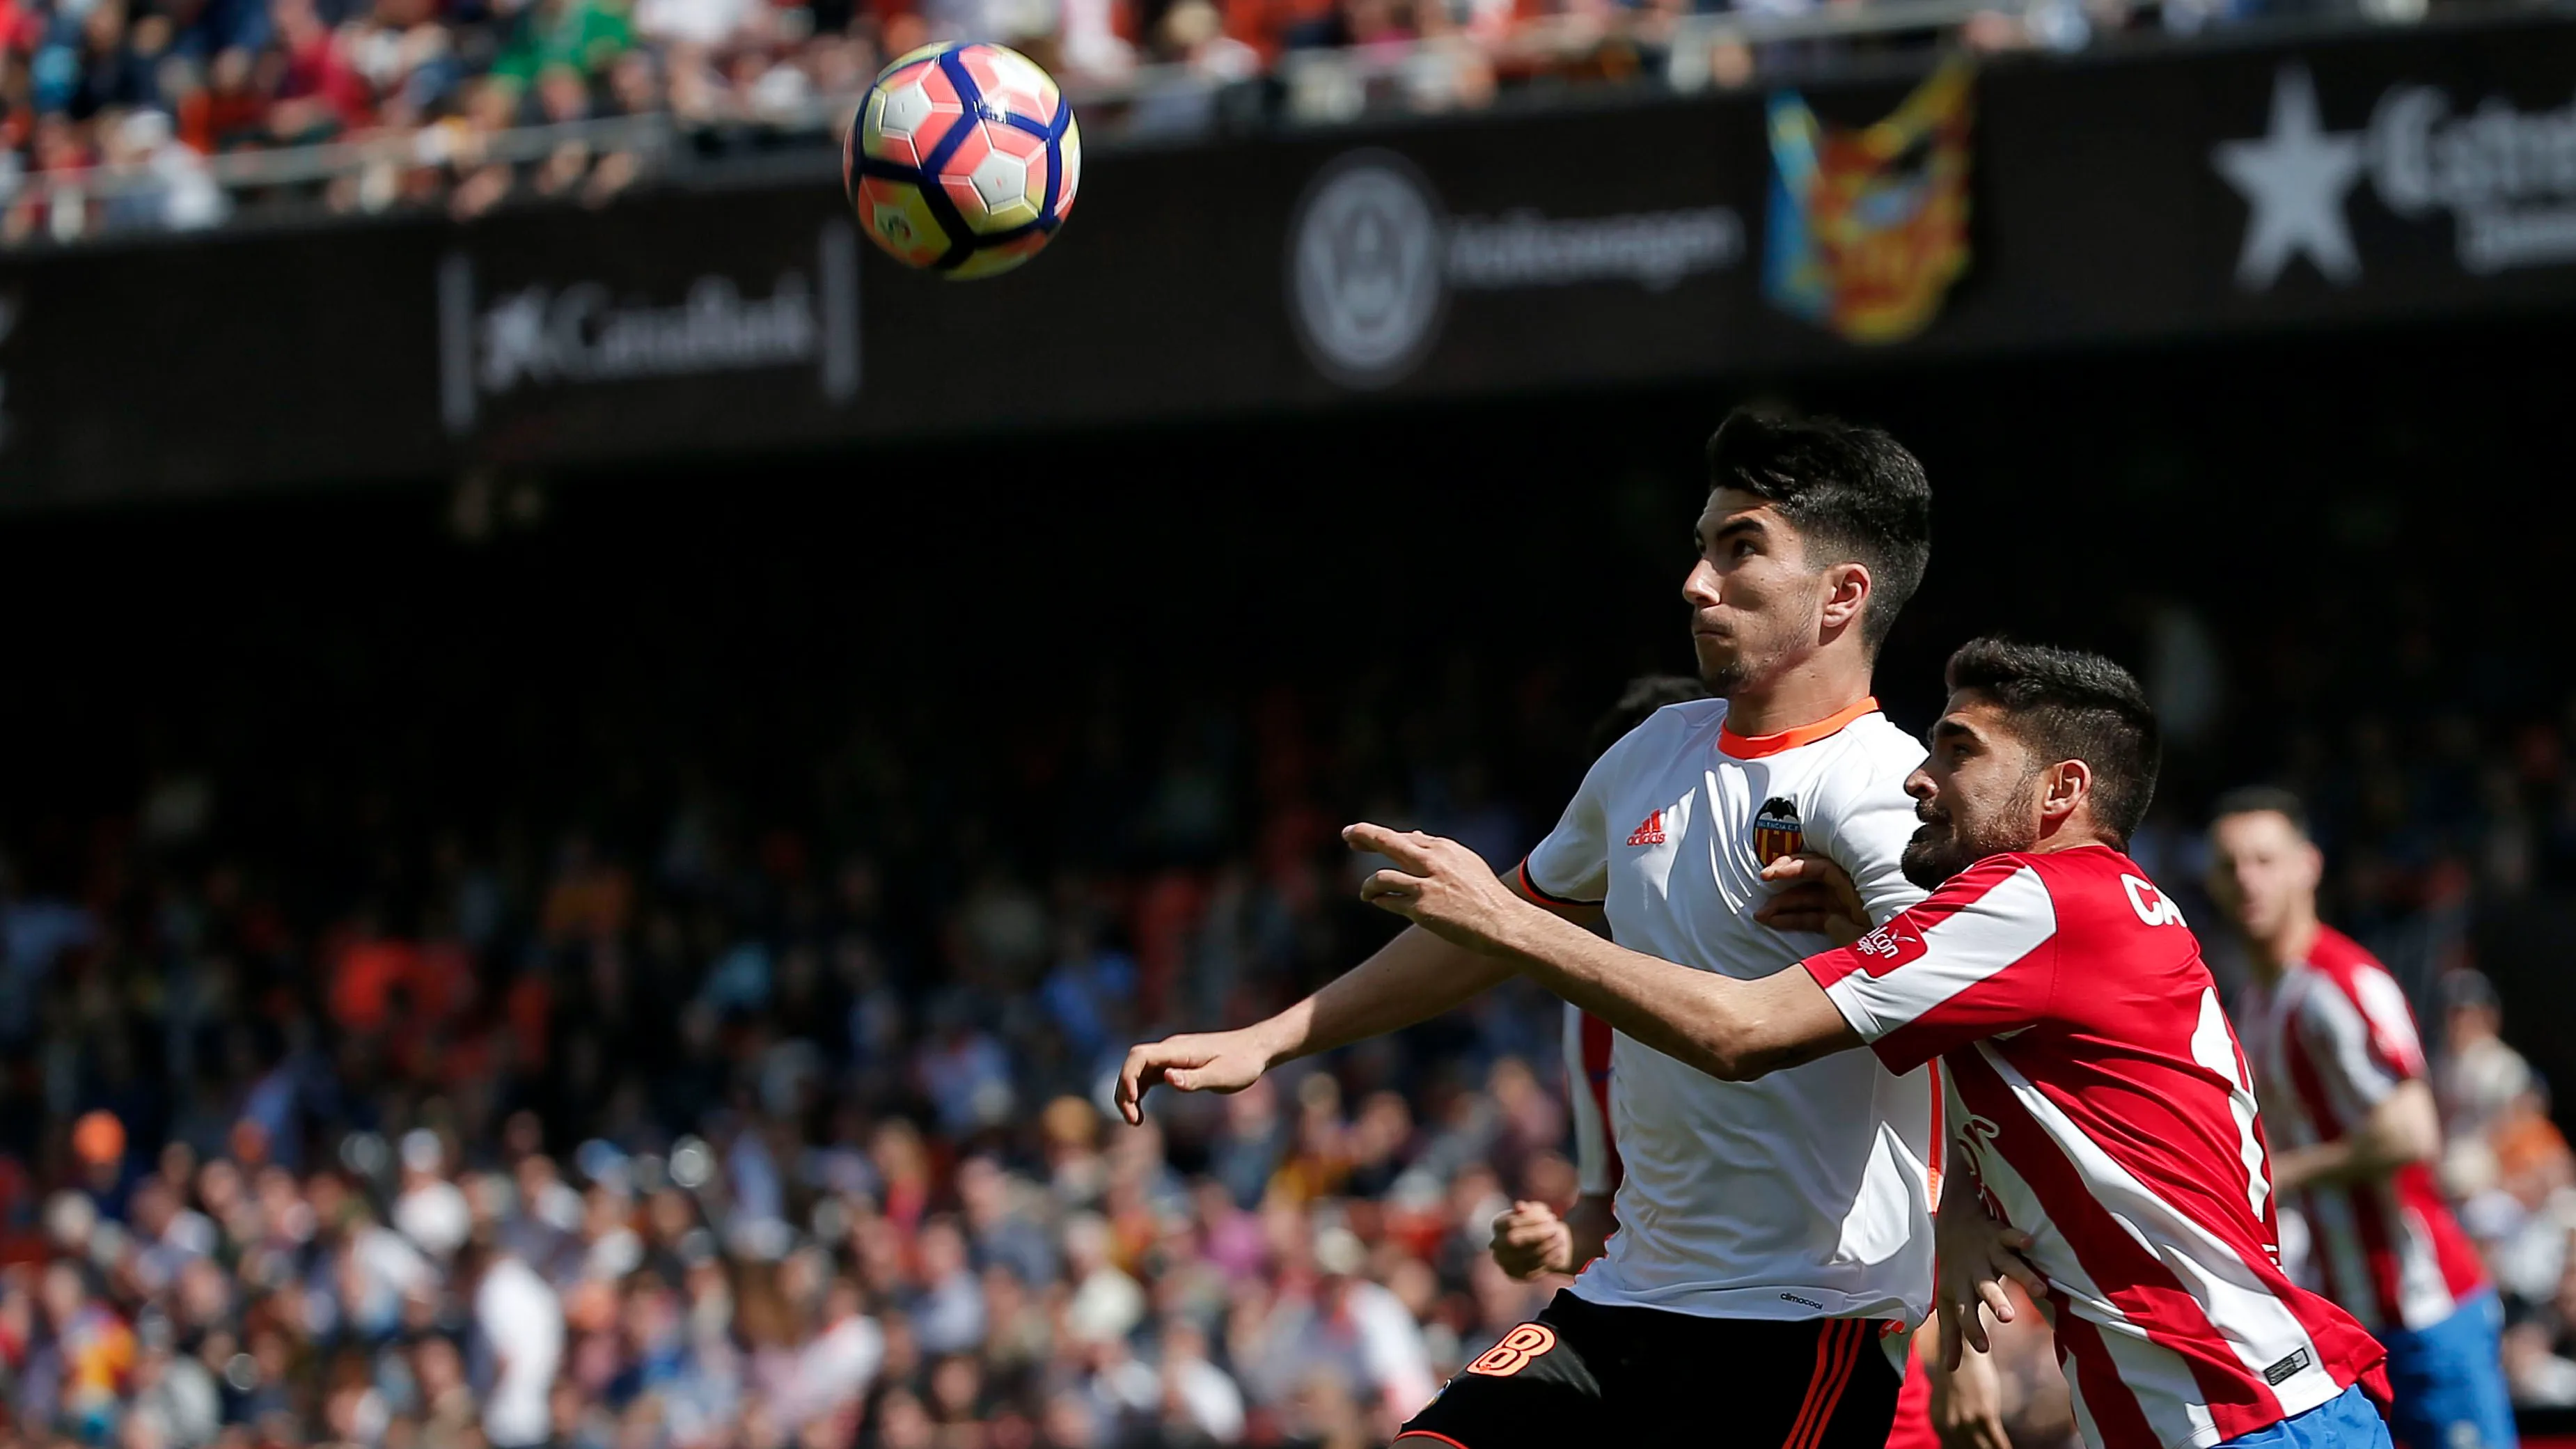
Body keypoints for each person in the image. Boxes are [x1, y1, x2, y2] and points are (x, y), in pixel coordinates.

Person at [1335, 638, 2390, 1449]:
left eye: (1960, 750)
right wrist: (1964, 1207)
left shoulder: (2033, 900)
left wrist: (1512, 919)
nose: (1919, 778)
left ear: (2062, 792)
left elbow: (1739, 1031)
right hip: (2231, 1399)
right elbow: (2022, 1084)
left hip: (2238, 1415)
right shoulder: (2091, 910)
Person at [1120, 409, 1943, 1448]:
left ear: (1843, 594)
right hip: (1625, 1298)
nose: (1696, 582)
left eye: (1741, 549)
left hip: (1800, 1321)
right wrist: (1269, 1039)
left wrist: (1511, 925)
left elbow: (1776, 1033)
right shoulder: (1651, 752)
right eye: (1701, 545)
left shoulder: (1887, 799)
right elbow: (1479, 932)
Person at [2209, 790, 2517, 1449]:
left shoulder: (2341, 983)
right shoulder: (2258, 1002)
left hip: (2427, 1311)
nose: (2247, 880)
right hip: (2355, 1323)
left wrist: (2284, 1172)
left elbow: (2413, 1131)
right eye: (2230, 864)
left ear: (2308, 866)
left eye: (2265, 859)